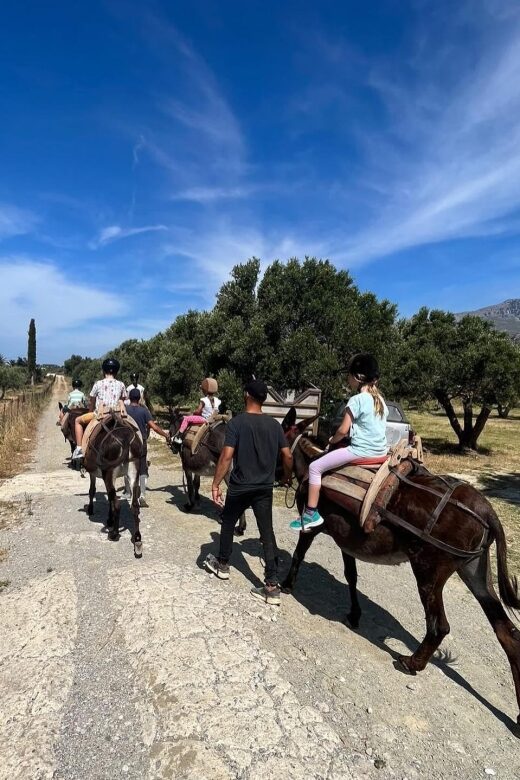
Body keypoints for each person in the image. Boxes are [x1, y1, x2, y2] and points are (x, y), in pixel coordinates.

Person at [204, 379, 293, 605]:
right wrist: (285, 477)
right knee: (267, 532)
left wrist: (215, 485)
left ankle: (222, 564)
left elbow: (226, 457)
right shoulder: (274, 425)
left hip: (241, 486)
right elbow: (288, 456)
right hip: (264, 487)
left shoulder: (237, 423)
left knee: (227, 521)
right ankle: (271, 585)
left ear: (246, 395)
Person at [289, 353, 388, 533]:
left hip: (361, 451)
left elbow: (343, 430)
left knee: (315, 467)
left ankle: (311, 513)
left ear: (358, 377)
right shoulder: (380, 400)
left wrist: (331, 440)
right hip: (380, 452)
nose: (348, 380)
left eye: (349, 376)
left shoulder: (356, 400)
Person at [72, 357, 127, 459]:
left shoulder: (98, 384)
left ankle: (79, 448)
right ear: (116, 371)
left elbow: (92, 402)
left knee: (77, 421)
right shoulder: (121, 384)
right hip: (117, 415)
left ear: (104, 370)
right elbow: (123, 399)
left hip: (100, 415)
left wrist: (90, 411)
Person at [123, 388, 170, 507]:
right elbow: (153, 427)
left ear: (129, 398)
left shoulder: (125, 410)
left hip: (126, 442)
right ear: (139, 398)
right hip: (140, 442)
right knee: (142, 466)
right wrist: (165, 435)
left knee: (126, 465)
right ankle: (142, 494)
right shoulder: (144, 411)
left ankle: (129, 492)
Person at [173, 378, 221, 445]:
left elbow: (198, 411)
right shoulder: (217, 400)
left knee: (186, 419)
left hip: (204, 419)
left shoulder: (204, 400)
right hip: (213, 419)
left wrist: (194, 412)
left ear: (204, 390)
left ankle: (178, 437)